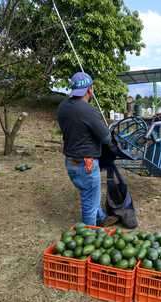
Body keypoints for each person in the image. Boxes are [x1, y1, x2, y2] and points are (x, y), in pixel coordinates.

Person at [57, 72, 118, 226]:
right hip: (87, 164)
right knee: (89, 202)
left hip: (71, 161)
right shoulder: (88, 110)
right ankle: (90, 233)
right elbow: (106, 138)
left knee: (90, 195)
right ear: (90, 89)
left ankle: (102, 219)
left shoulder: (62, 107)